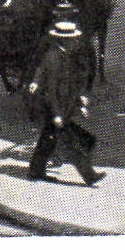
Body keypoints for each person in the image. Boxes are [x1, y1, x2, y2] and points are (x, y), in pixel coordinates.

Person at [25, 20, 102, 185]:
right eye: (72, 38)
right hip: (54, 110)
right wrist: (57, 114)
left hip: (62, 109)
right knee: (75, 144)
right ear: (64, 40)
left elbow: (72, 83)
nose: (75, 41)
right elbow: (51, 90)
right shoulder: (54, 58)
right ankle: (89, 176)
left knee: (48, 140)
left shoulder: (66, 55)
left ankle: (35, 170)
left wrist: (80, 102)